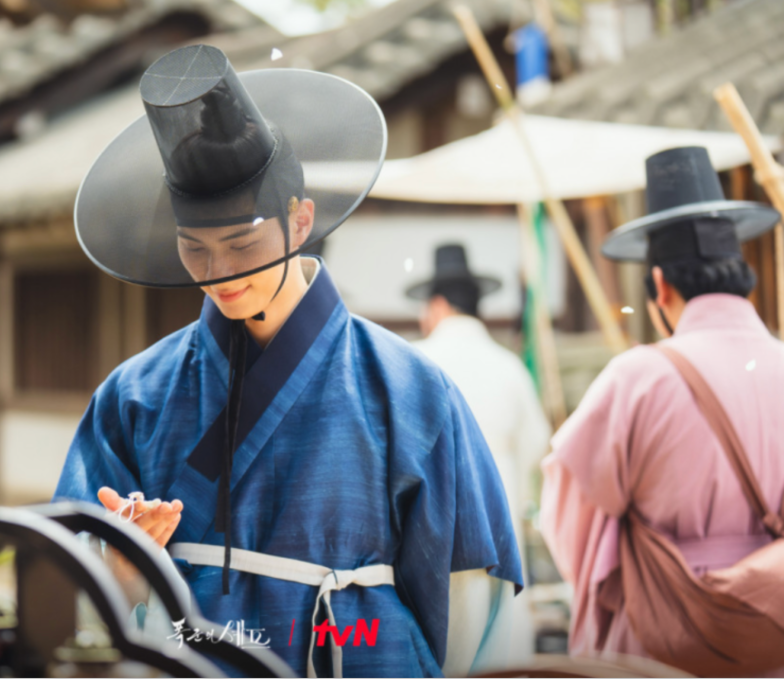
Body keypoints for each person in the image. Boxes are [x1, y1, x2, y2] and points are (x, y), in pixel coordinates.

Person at [55, 44, 522, 677]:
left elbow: (470, 596)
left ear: (300, 220)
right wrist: (124, 574)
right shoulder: (134, 396)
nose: (219, 275)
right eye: (195, 251)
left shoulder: (409, 390)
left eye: (242, 244)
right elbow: (76, 592)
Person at [540, 147, 784, 667]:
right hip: (773, 624)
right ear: (740, 274)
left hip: (660, 633)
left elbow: (568, 515)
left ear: (658, 285)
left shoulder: (640, 376)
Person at [409, 243, 551, 661]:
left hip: (433, 535)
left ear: (436, 306)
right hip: (500, 531)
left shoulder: (415, 361)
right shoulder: (509, 367)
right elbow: (536, 445)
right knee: (501, 656)